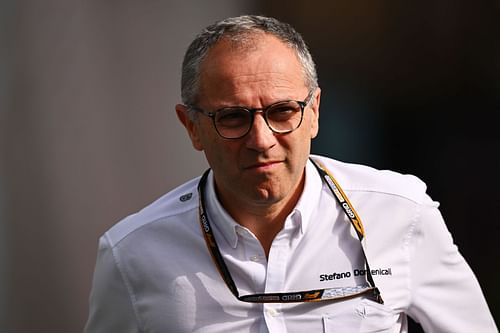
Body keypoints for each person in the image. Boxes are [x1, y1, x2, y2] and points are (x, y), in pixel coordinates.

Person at [84, 15, 497, 333]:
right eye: (232, 117)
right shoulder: (132, 254)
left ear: (314, 112)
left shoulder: (401, 215)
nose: (261, 139)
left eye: (282, 111)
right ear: (191, 126)